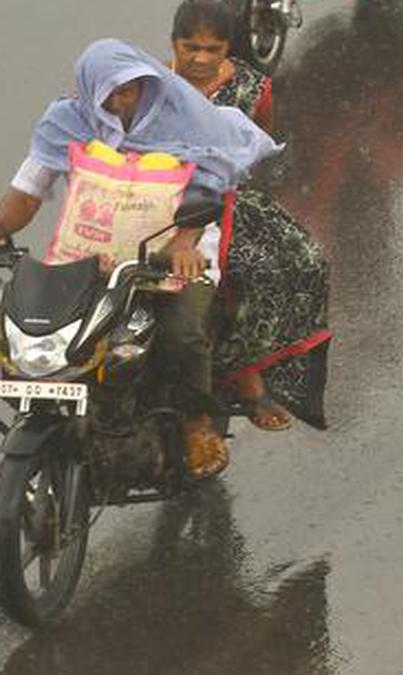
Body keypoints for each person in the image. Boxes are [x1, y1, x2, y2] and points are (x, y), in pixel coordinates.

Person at [0, 39, 281, 477]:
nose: (119, 101)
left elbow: (210, 191)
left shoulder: (185, 119)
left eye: (129, 89)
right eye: (107, 92)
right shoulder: (66, 122)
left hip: (176, 253)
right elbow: (25, 195)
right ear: (89, 90)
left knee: (182, 330)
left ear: (146, 83)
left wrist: (185, 243)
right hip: (92, 257)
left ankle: (197, 423)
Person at [169, 0, 332, 432]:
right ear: (173, 45)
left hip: (221, 204)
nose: (200, 59)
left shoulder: (252, 88)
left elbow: (258, 150)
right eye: (191, 48)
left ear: (228, 48)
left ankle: (244, 382)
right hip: (149, 203)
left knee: (287, 267)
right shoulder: (148, 84)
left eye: (212, 49)